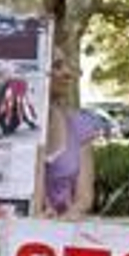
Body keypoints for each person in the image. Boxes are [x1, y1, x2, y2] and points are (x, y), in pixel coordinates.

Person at [41, 50, 101, 218]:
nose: (68, 73)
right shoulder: (4, 129)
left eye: (67, 65)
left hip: (56, 235)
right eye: (57, 66)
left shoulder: (79, 125)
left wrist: (72, 214)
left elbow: (84, 198)